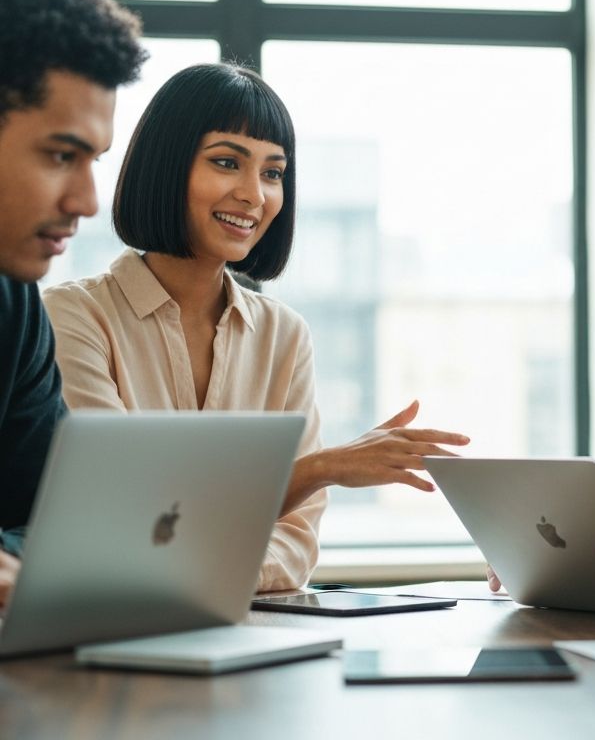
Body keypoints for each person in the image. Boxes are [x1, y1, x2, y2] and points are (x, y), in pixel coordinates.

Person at [43, 63, 469, 592]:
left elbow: (295, 546)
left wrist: (189, 563)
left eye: (273, 172)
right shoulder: (73, 319)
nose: (255, 194)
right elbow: (128, 521)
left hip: (255, 633)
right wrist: (320, 469)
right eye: (227, 162)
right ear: (167, 166)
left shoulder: (284, 336)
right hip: (112, 639)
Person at [0, 0, 148, 606]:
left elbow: (66, 522)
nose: (88, 202)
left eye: (95, 161)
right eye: (62, 155)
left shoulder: (14, 304)